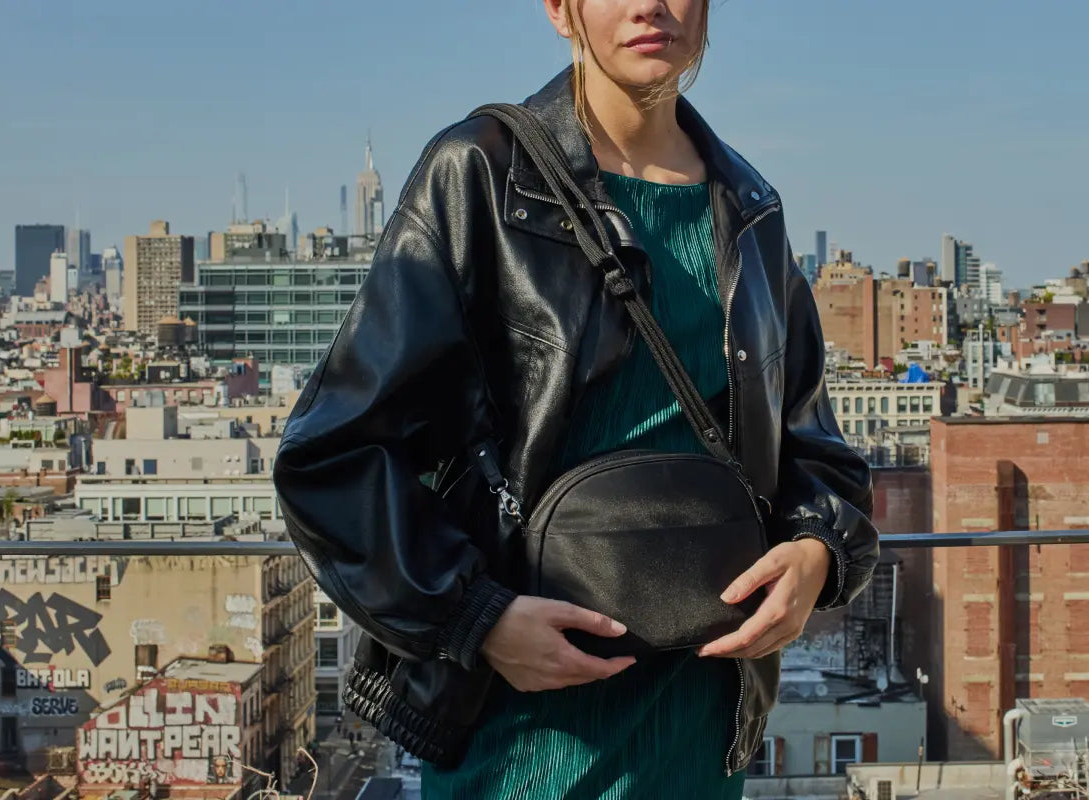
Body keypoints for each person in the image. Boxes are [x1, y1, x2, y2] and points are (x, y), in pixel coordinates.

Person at [274, 1, 879, 796]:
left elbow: (814, 449)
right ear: (560, 9)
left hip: (702, 726)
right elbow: (334, 453)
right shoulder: (482, 175)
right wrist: (473, 617)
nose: (650, 5)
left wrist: (815, 553)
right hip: (525, 740)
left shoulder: (750, 208)